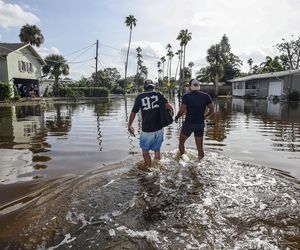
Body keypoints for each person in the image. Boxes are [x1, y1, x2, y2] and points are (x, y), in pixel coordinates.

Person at [128, 80, 173, 168]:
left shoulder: (140, 97)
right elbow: (170, 107)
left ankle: (150, 169)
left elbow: (133, 112)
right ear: (153, 87)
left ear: (145, 88)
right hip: (159, 128)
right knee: (157, 150)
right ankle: (158, 168)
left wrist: (129, 125)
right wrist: (170, 116)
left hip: (147, 129)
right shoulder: (159, 94)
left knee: (145, 152)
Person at [175, 79, 214, 159]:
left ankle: (182, 159)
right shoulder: (206, 96)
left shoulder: (186, 96)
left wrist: (176, 117)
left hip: (188, 124)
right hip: (200, 124)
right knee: (200, 148)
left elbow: (181, 111)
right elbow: (212, 110)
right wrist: (204, 117)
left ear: (190, 86)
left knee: (181, 141)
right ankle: (200, 163)